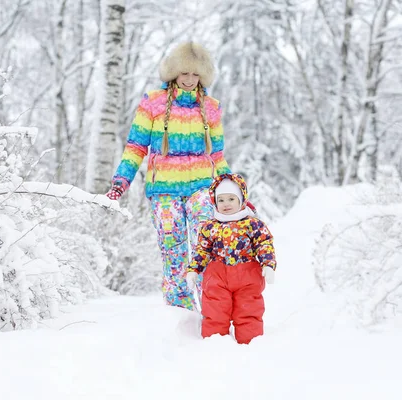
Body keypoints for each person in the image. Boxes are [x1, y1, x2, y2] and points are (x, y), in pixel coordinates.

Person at [105, 42, 231, 310]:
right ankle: (179, 312)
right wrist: (121, 181)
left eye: (196, 74)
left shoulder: (210, 107)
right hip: (164, 189)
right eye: (184, 73)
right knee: (173, 249)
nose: (189, 80)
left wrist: (232, 188)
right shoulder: (153, 103)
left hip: (201, 187)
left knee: (205, 247)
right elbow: (136, 147)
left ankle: (213, 310)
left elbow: (217, 155)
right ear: (174, 73)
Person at [186, 173, 276, 344]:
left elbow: (264, 244)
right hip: (218, 276)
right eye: (221, 200)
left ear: (241, 200)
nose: (226, 204)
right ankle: (215, 342)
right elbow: (202, 250)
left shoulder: (253, 224)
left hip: (248, 275)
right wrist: (194, 270)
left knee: (248, 309)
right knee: (215, 309)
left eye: (231, 199)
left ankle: (251, 343)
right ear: (215, 202)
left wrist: (268, 265)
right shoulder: (210, 226)